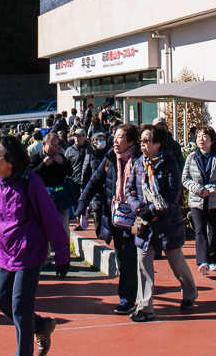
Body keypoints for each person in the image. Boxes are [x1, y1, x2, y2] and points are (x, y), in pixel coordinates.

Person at [0, 134, 70, 356]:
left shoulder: (32, 182)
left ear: (10, 160)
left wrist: (62, 255)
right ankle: (41, 325)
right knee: (0, 300)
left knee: (20, 307)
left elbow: (52, 218)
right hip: (5, 254)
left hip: (29, 252)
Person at [126, 124, 197, 321]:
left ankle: (190, 291)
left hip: (167, 223)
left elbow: (174, 194)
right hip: (144, 223)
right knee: (143, 264)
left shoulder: (169, 163)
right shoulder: (138, 163)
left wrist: (153, 210)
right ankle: (145, 307)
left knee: (176, 262)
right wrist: (138, 209)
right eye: (141, 141)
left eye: (147, 141)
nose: (143, 144)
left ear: (158, 143)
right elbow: (129, 189)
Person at [75, 124, 141, 315]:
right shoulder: (110, 158)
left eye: (120, 137)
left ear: (131, 141)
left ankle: (126, 299)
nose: (115, 140)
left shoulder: (139, 160)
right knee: (122, 258)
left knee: (129, 258)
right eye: (115, 136)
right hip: (116, 217)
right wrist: (82, 204)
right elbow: (94, 182)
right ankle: (132, 294)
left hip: (135, 218)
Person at [182, 125, 216, 275]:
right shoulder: (191, 157)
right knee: (199, 229)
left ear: (212, 140)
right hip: (197, 199)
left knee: (214, 230)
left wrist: (214, 188)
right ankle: (202, 261)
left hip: (214, 199)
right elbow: (185, 179)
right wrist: (198, 189)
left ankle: (213, 260)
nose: (201, 140)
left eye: (204, 137)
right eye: (198, 137)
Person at [29, 132, 72, 240]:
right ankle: (45, 254)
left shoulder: (60, 157)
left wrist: (62, 162)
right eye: (51, 145)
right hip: (43, 197)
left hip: (59, 197)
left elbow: (70, 172)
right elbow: (30, 176)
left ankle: (64, 252)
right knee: (44, 227)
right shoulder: (35, 158)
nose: (54, 148)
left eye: (57, 146)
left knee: (63, 226)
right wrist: (43, 165)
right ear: (44, 144)